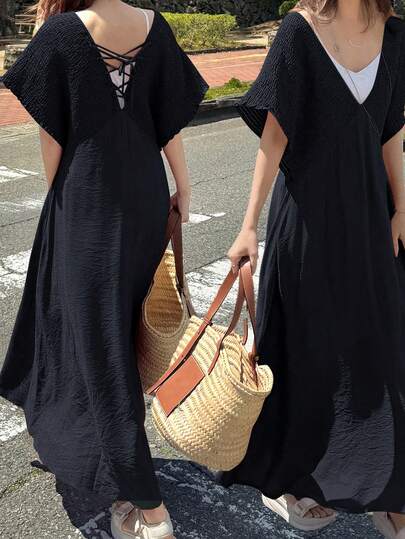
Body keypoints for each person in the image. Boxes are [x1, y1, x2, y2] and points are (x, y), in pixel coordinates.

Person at [0, 1, 208, 538]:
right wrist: (183, 188)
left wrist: (60, 200)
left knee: (100, 346)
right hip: (145, 197)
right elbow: (169, 124)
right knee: (120, 338)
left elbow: (53, 137)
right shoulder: (154, 26)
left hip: (88, 202)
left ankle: (145, 503)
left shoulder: (60, 34)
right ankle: (88, 447)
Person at [221, 0, 405, 537]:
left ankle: (386, 486)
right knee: (306, 348)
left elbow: (392, 128)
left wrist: (402, 206)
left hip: (371, 217)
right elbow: (274, 136)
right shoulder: (299, 31)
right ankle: (296, 484)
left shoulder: (396, 35)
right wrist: (248, 226)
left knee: (380, 347)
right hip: (306, 219)